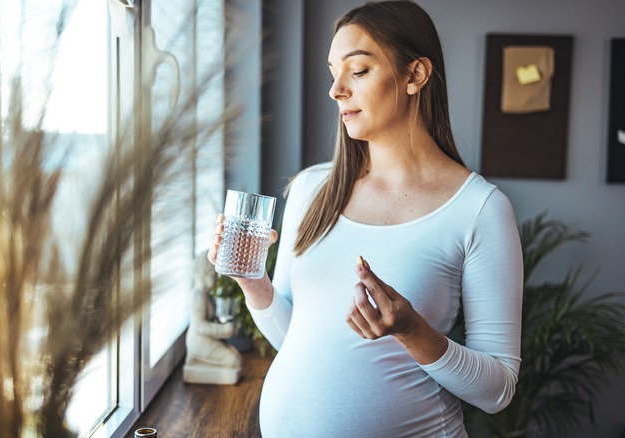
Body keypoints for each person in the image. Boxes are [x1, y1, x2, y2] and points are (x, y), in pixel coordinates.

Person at [208, 1, 523, 436]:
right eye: (332, 72)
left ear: (415, 75)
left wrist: (412, 330)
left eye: (358, 71)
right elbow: (293, 341)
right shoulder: (311, 189)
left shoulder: (479, 209)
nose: (336, 90)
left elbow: (498, 390)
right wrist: (251, 280)